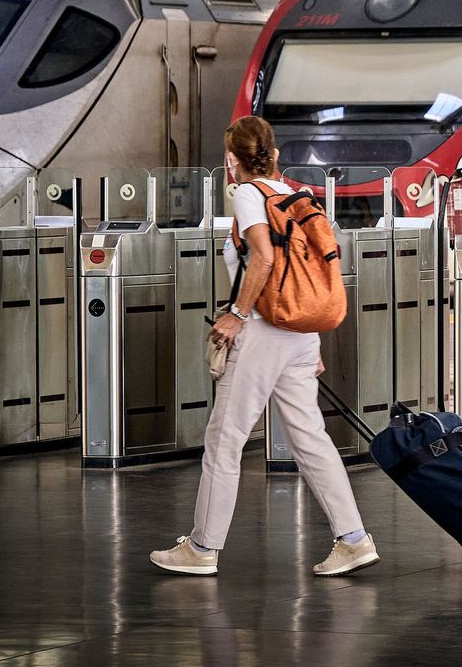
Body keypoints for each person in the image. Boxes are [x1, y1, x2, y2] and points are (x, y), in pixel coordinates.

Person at [150, 115, 379, 578]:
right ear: (273, 154)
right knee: (309, 437)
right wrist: (307, 339)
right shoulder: (295, 195)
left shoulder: (249, 195)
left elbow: (265, 258)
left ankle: (202, 547)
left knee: (224, 439)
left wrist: (235, 314)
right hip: (298, 330)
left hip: (262, 330)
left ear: (232, 160)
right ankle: (353, 539)